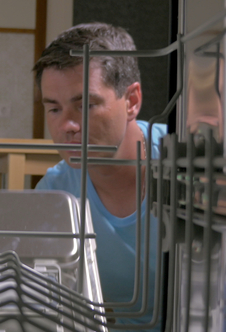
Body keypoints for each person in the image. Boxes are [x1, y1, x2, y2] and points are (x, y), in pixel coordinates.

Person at [32, 23, 167, 331]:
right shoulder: (53, 195)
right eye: (54, 109)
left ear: (131, 101)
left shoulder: (188, 160)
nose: (67, 125)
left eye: (86, 106)